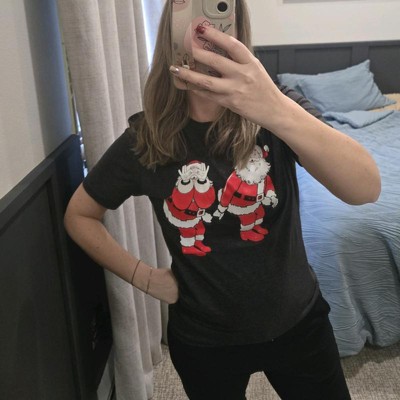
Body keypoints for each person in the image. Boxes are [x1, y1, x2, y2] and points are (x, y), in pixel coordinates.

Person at [64, 1, 381, 399]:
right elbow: (80, 215)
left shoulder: (278, 112)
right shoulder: (145, 139)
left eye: (217, 11)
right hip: (204, 340)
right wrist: (145, 277)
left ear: (238, 28)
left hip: (299, 323)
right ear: (169, 29)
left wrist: (274, 108)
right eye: (190, 13)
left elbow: (366, 188)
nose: (204, 30)